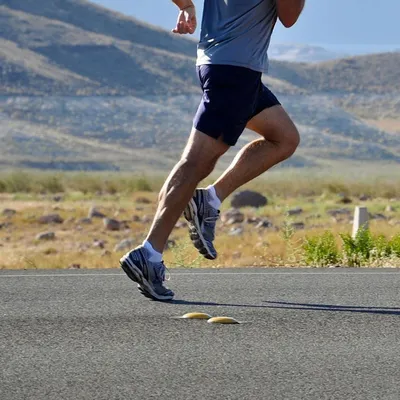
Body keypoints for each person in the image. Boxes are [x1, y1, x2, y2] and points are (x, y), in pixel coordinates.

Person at [120, 0, 305, 301]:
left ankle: (209, 199)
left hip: (222, 66)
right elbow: (289, 16)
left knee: (284, 138)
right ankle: (150, 253)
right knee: (194, 163)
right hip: (235, 73)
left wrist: (187, 6)